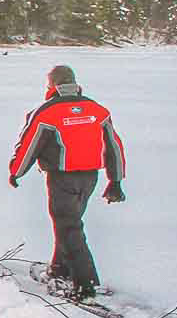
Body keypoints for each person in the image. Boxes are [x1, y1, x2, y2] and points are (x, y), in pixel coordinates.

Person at [9, 64, 127, 301]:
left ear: (52, 86)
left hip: (62, 178)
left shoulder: (46, 112)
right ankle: (59, 269)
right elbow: (114, 146)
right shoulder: (97, 110)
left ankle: (85, 285)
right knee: (69, 225)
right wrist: (115, 181)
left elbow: (29, 145)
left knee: (69, 228)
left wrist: (16, 172)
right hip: (90, 178)